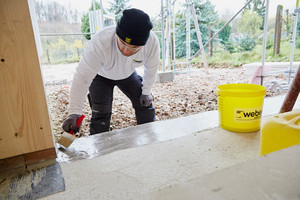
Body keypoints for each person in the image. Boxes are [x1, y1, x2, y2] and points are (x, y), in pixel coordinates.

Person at [62, 8, 160, 135]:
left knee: (145, 104)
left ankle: (150, 138)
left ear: (143, 44)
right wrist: (74, 112)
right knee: (100, 113)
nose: (126, 51)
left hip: (128, 74)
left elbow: (151, 69)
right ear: (117, 35)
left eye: (134, 48)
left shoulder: (152, 43)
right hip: (101, 76)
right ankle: (100, 149)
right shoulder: (100, 43)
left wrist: (146, 91)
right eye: (123, 43)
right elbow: (82, 78)